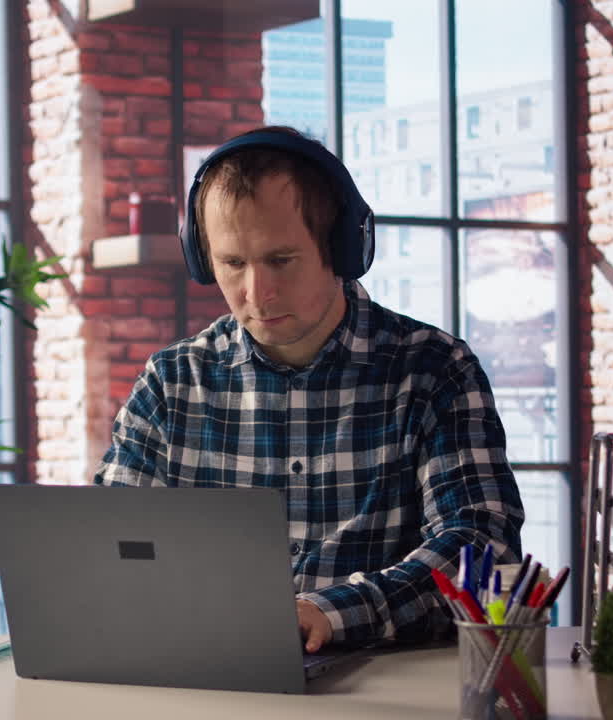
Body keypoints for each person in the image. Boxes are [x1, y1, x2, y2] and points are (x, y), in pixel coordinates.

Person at [93, 126, 525, 651]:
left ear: (342, 248)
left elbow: (482, 548)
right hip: (213, 684)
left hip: (385, 688)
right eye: (233, 264)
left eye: (280, 260)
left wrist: (334, 612)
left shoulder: (434, 372)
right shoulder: (170, 386)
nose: (257, 292)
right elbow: (110, 555)